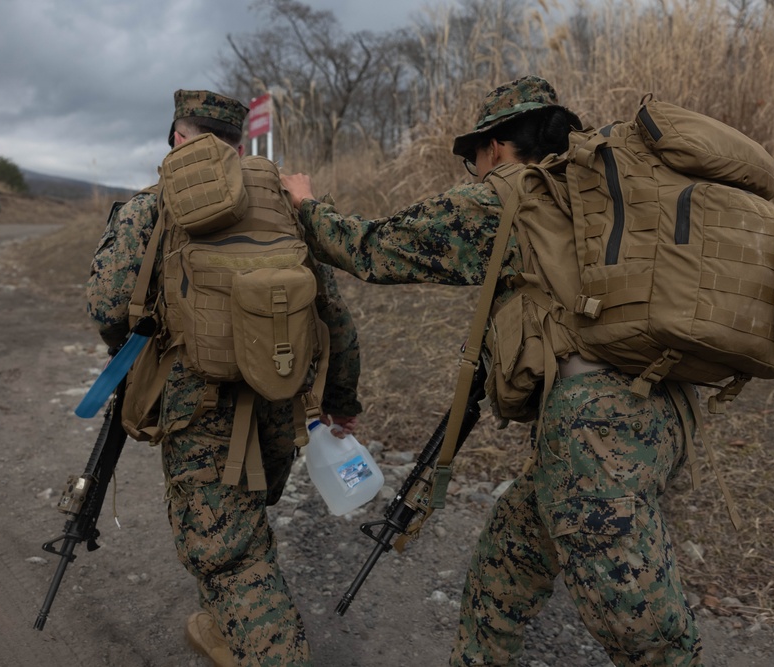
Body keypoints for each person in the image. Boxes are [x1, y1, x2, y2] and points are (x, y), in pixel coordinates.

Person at [281, 75, 703, 666]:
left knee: (648, 639)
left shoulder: (504, 196)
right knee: (508, 559)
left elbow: (372, 249)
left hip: (595, 442)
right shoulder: (599, 195)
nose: (471, 171)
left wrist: (305, 205)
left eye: (473, 156)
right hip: (661, 411)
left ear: (497, 147)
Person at [85, 89, 363, 666]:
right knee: (240, 517)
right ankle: (222, 622)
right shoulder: (286, 205)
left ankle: (270, 649)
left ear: (177, 139)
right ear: (239, 145)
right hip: (279, 392)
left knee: (230, 550)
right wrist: (340, 398)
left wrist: (141, 355)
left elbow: (109, 306)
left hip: (197, 400)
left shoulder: (152, 205)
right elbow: (334, 315)